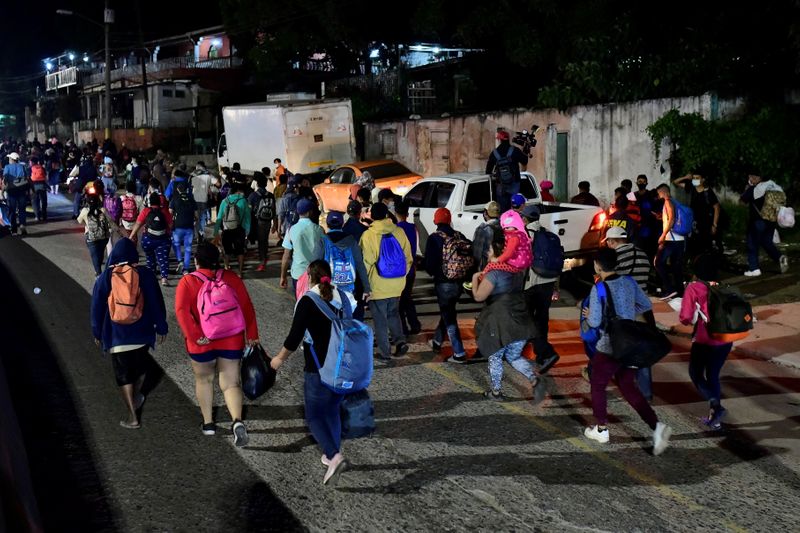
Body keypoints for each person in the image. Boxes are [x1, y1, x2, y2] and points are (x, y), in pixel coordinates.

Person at [582, 248, 672, 455]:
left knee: (597, 383)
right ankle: (656, 426)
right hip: (631, 342)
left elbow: (595, 321)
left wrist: (589, 315)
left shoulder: (600, 288)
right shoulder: (629, 282)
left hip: (610, 344)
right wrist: (626, 315)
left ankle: (601, 428)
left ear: (597, 265)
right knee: (627, 385)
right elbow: (645, 304)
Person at [270, 260, 350, 484]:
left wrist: (278, 360)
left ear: (309, 277)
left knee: (314, 415)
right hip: (341, 366)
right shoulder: (342, 296)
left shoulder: (308, 301)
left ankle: (334, 456)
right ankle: (330, 451)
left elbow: (294, 338)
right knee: (333, 410)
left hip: (317, 367)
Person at [174, 242, 259, 446]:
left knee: (204, 380)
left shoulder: (187, 282)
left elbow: (182, 312)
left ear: (196, 261)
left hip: (202, 342)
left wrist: (195, 336)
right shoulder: (231, 278)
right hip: (231, 339)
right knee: (231, 383)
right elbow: (246, 306)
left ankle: (209, 423)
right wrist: (252, 334)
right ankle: (237, 421)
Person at [91, 238, 168, 429]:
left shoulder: (106, 277)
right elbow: (156, 303)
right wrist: (161, 326)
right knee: (140, 367)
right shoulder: (145, 274)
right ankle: (138, 394)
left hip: (117, 337)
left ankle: (133, 416)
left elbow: (97, 308)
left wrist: (97, 332)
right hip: (141, 335)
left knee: (123, 375)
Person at [470, 236, 543, 402]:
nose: (487, 252)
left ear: (497, 252)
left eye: (489, 249)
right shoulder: (516, 270)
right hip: (521, 317)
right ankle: (534, 379)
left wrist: (475, 279)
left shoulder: (494, 273)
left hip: (501, 322)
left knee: (495, 356)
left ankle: (495, 392)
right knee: (513, 356)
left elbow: (479, 296)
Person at [679, 254, 733, 430]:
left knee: (695, 374)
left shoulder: (694, 288)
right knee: (713, 375)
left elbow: (686, 317)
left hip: (705, 340)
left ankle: (716, 406)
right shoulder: (723, 286)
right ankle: (714, 418)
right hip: (725, 340)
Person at [604, 225, 655, 400]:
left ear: (612, 241)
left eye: (608, 243)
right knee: (643, 352)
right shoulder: (643, 255)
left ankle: (620, 384)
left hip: (624, 308)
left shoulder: (615, 257)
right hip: (643, 309)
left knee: (617, 346)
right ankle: (646, 392)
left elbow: (613, 282)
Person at [361, 202, 413, 361]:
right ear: (386, 215)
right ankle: (400, 341)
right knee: (393, 314)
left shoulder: (368, 235)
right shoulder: (399, 232)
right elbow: (408, 259)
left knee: (380, 320)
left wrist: (366, 286)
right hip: (397, 284)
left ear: (372, 217)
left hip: (378, 286)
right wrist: (401, 278)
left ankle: (385, 352)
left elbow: (365, 263)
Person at [520, 205, 560, 374]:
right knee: (542, 320)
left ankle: (547, 352)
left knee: (527, 322)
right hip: (549, 282)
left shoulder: (525, 235)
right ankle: (541, 356)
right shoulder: (549, 234)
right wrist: (557, 286)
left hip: (531, 283)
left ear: (525, 219)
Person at [424, 207, 467, 363]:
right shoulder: (459, 236)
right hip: (458, 281)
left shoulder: (434, 238)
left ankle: (459, 353)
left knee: (449, 316)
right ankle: (436, 341)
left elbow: (430, 264)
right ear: (449, 220)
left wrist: (434, 273)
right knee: (448, 311)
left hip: (443, 282)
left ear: (436, 221)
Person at [739, 172, 788, 276]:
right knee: (766, 242)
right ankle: (779, 257)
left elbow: (742, 202)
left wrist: (747, 190)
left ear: (757, 178)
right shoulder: (775, 186)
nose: (749, 178)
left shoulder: (755, 189)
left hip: (758, 221)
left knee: (752, 243)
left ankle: (754, 269)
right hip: (772, 221)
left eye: (751, 176)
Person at [322, 211, 371, 311]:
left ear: (327, 224)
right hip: (350, 287)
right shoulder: (352, 241)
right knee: (349, 316)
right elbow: (360, 265)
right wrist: (367, 288)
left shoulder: (323, 240)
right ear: (343, 224)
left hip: (329, 286)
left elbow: (318, 265)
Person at [280, 198, 325, 293]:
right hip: (316, 274)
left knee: (301, 303)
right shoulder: (319, 230)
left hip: (298, 274)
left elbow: (286, 256)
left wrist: (283, 276)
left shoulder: (291, 230)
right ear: (310, 212)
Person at [673, 173, 723, 258]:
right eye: (694, 178)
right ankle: (697, 263)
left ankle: (706, 264)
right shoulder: (691, 188)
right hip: (694, 223)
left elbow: (717, 208)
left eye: (697, 178)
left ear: (702, 180)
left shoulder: (707, 192)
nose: (695, 180)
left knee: (706, 245)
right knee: (694, 245)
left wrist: (714, 225)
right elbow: (675, 182)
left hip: (706, 223)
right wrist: (685, 177)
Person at [129, 192, 173, 286]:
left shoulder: (146, 211)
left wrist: (132, 235)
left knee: (150, 257)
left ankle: (151, 275)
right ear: (159, 202)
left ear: (150, 202)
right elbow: (170, 226)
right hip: (162, 240)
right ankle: (164, 278)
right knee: (163, 259)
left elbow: (138, 224)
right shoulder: (165, 212)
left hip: (148, 240)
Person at [654, 184, 685, 300]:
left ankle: (669, 289)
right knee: (676, 267)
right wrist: (662, 217)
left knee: (657, 262)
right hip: (680, 239)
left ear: (663, 192)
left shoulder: (667, 201)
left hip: (671, 239)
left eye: (659, 193)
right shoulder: (675, 201)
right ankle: (679, 293)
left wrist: (663, 235)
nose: (658, 196)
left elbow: (671, 219)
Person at [395, 201, 421, 335]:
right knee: (407, 298)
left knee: (400, 301)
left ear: (395, 213)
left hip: (399, 270)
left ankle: (403, 327)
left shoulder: (395, 230)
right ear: (407, 213)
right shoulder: (412, 227)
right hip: (411, 269)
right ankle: (414, 324)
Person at [214, 182, 251, 277]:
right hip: (239, 229)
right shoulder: (243, 201)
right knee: (240, 251)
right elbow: (247, 217)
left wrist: (216, 232)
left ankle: (227, 268)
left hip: (227, 229)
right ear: (238, 191)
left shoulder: (224, 201)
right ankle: (240, 272)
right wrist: (247, 230)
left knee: (227, 250)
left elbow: (219, 218)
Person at [486, 131, 528, 212]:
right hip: (514, 184)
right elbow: (525, 160)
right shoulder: (515, 150)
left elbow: (488, 171)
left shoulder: (494, 153)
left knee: (502, 210)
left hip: (501, 186)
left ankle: (504, 222)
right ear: (508, 139)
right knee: (515, 208)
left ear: (499, 140)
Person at [77, 193, 116, 277]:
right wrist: (120, 233)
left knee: (94, 255)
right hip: (103, 237)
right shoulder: (103, 210)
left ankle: (98, 274)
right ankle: (99, 271)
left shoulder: (85, 211)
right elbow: (111, 222)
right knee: (100, 253)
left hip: (91, 237)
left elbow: (79, 221)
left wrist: (87, 224)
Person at [248, 172, 277, 272]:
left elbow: (249, 211)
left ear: (257, 184)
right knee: (265, 240)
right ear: (265, 184)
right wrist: (275, 224)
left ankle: (262, 261)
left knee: (261, 241)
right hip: (268, 221)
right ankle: (264, 257)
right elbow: (274, 210)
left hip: (258, 221)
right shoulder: (271, 195)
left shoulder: (253, 196)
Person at [170, 180, 197, 276]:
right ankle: (185, 269)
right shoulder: (191, 198)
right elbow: (196, 214)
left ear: (178, 189)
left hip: (178, 226)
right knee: (188, 248)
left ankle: (179, 260)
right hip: (189, 227)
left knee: (176, 244)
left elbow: (170, 212)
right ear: (186, 189)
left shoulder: (175, 199)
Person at [633, 174, 661, 260]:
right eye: (639, 181)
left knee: (650, 248)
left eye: (643, 182)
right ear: (636, 183)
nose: (641, 183)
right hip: (636, 226)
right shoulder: (633, 196)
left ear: (647, 183)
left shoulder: (651, 195)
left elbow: (656, 209)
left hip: (650, 226)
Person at [2, 152, 30, 235]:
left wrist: (3, 191)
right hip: (21, 190)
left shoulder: (7, 167)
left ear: (11, 159)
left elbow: (5, 180)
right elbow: (27, 178)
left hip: (11, 191)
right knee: (22, 210)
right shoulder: (22, 166)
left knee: (12, 210)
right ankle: (22, 224)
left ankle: (14, 229)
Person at [471, 201, 502, 272]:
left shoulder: (483, 229)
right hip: (500, 265)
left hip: (485, 268)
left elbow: (477, 253)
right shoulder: (503, 227)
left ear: (485, 213)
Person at [190, 161, 214, 242]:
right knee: (202, 218)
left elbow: (189, 185)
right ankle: (201, 235)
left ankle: (198, 235)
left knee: (197, 218)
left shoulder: (192, 175)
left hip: (195, 200)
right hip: (203, 200)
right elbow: (216, 184)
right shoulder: (207, 175)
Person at [29, 157, 48, 222]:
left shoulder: (30, 168)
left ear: (33, 162)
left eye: (30, 162)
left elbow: (28, 178)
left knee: (35, 202)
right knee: (44, 202)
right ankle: (44, 216)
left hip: (34, 186)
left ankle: (37, 216)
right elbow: (46, 177)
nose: (29, 163)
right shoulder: (42, 168)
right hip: (42, 186)